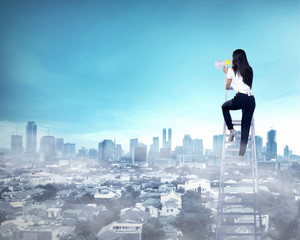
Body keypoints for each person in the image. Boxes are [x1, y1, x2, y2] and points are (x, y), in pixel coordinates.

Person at [222, 49, 255, 160]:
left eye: (232, 56)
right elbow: (247, 85)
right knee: (245, 127)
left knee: (224, 107)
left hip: (241, 98)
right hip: (251, 100)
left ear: (235, 58)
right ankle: (241, 154)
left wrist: (227, 74)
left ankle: (231, 129)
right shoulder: (250, 70)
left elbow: (226, 87)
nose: (231, 57)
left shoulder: (232, 70)